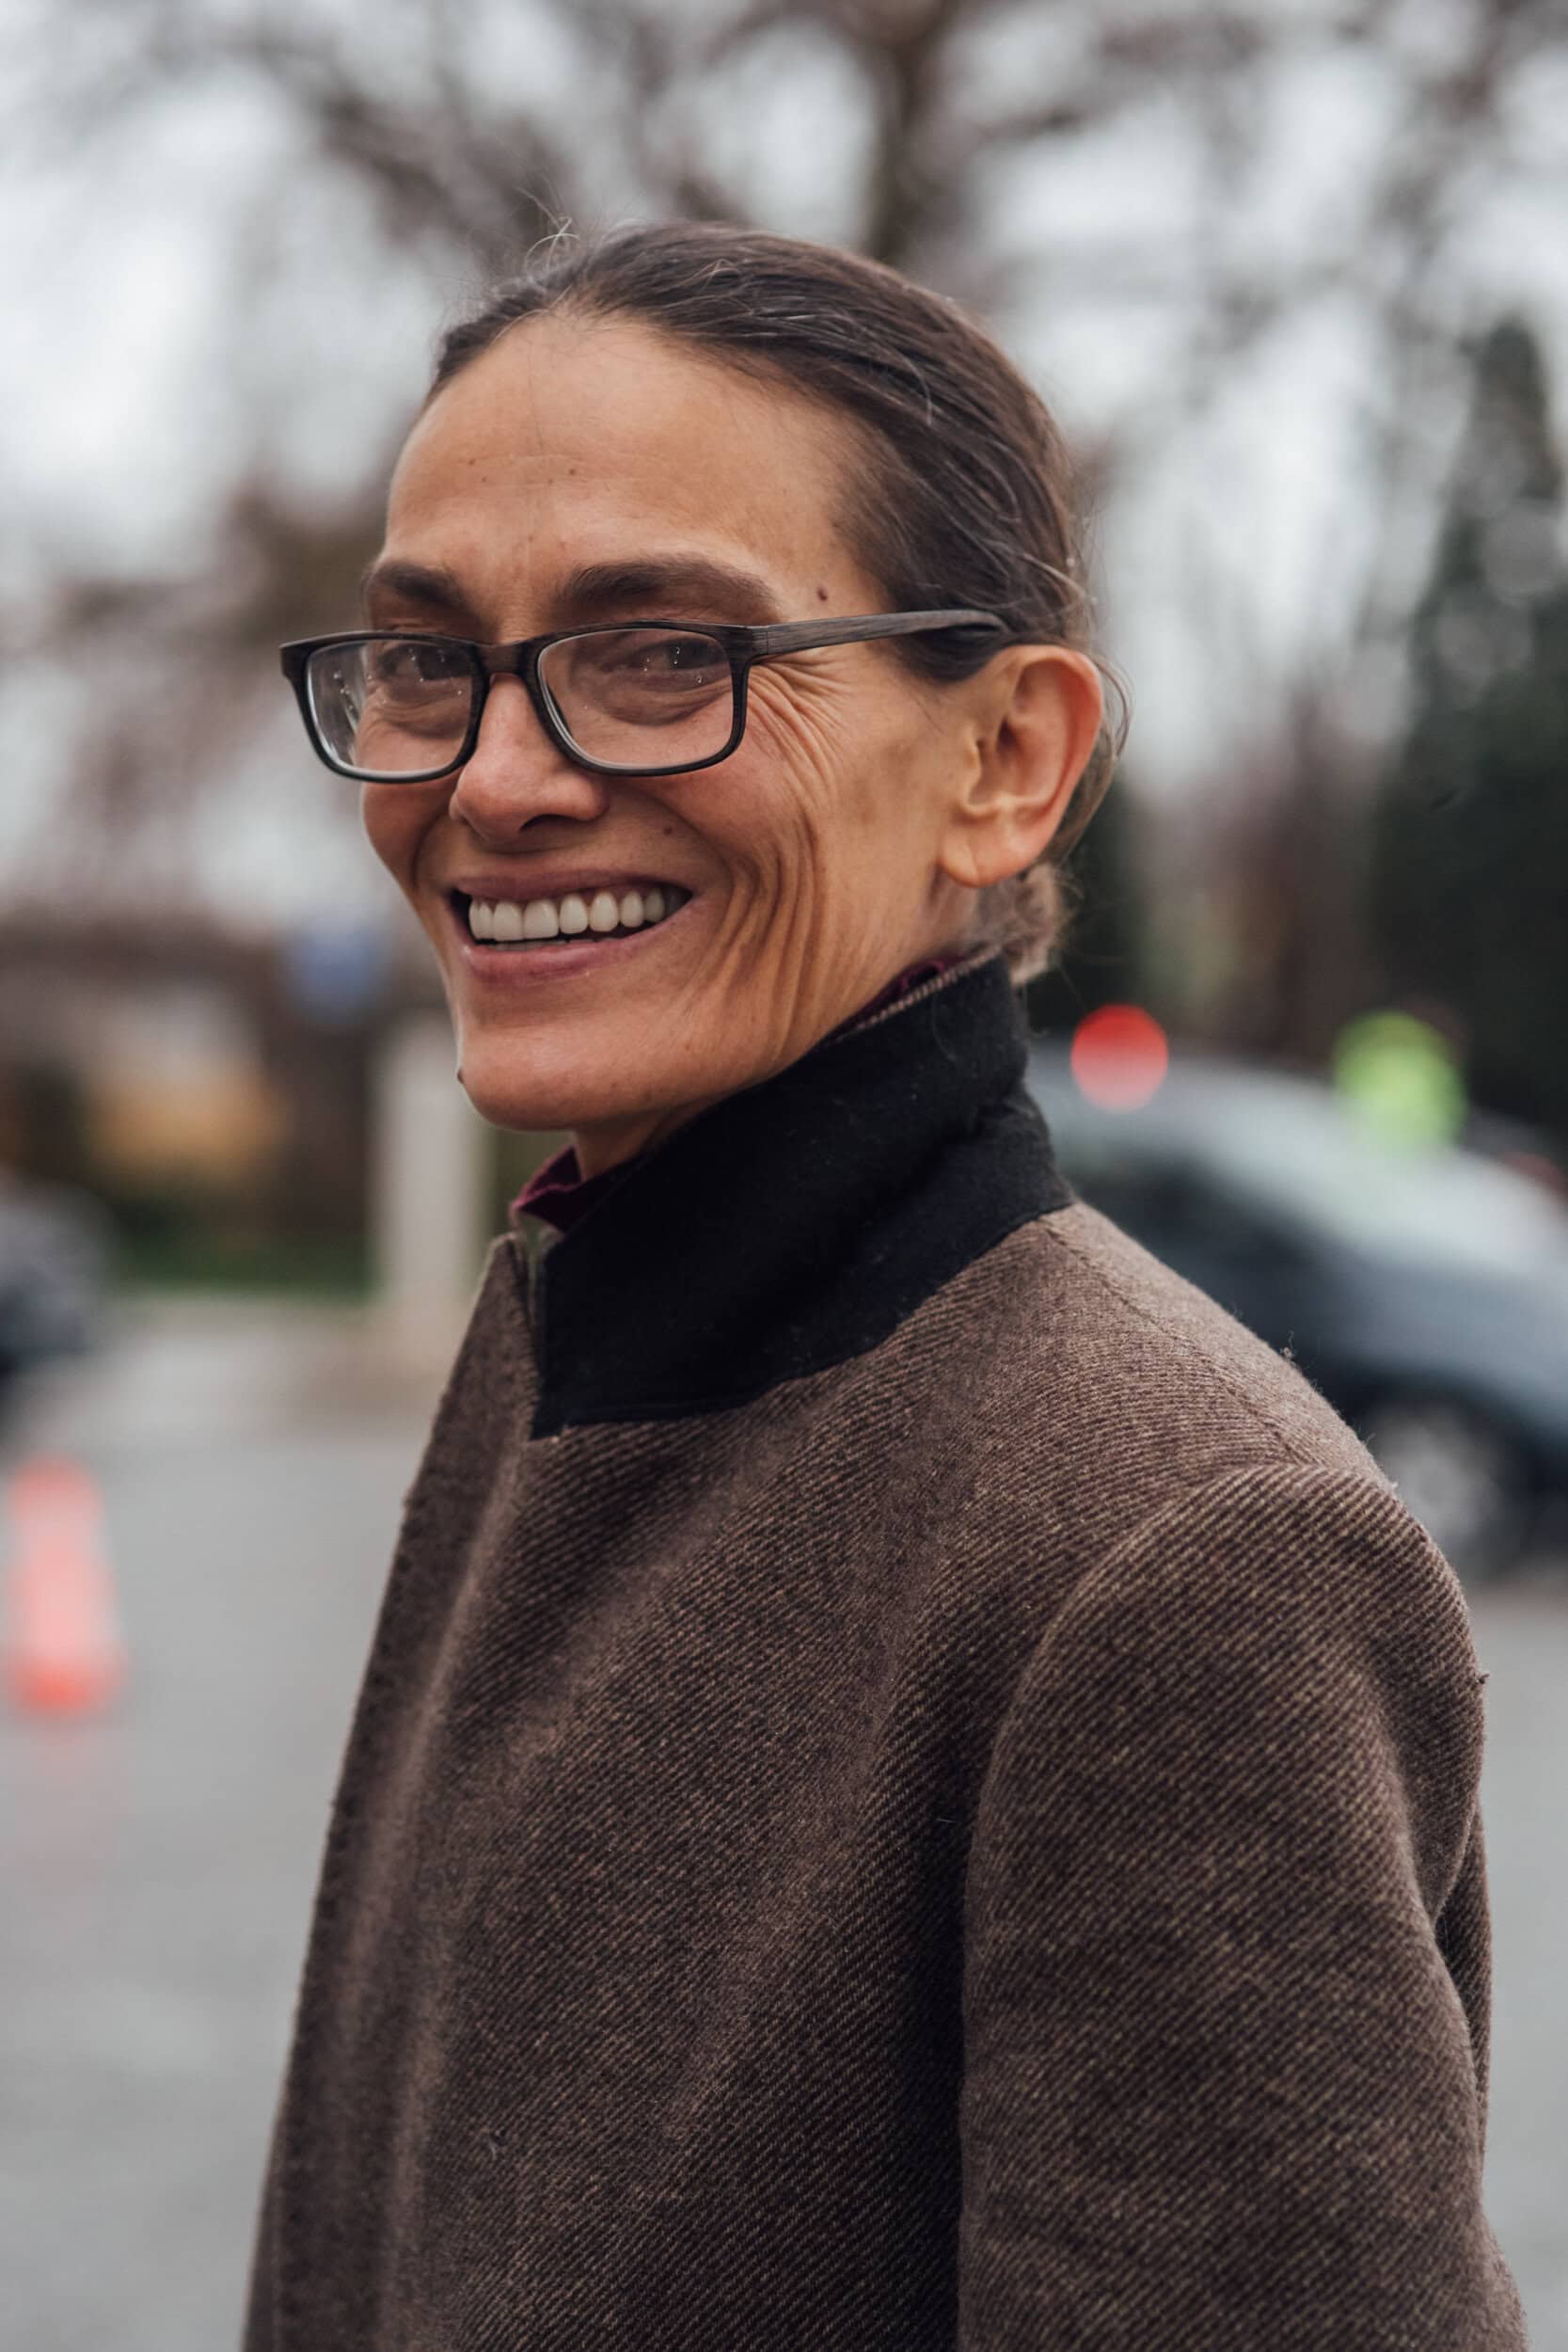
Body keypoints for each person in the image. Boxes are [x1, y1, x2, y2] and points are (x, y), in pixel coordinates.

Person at [245, 223, 1526, 2350]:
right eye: (428, 658)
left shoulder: (1180, 1547)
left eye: (665, 650)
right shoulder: (564, 1331)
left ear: (1007, 757)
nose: (491, 778)